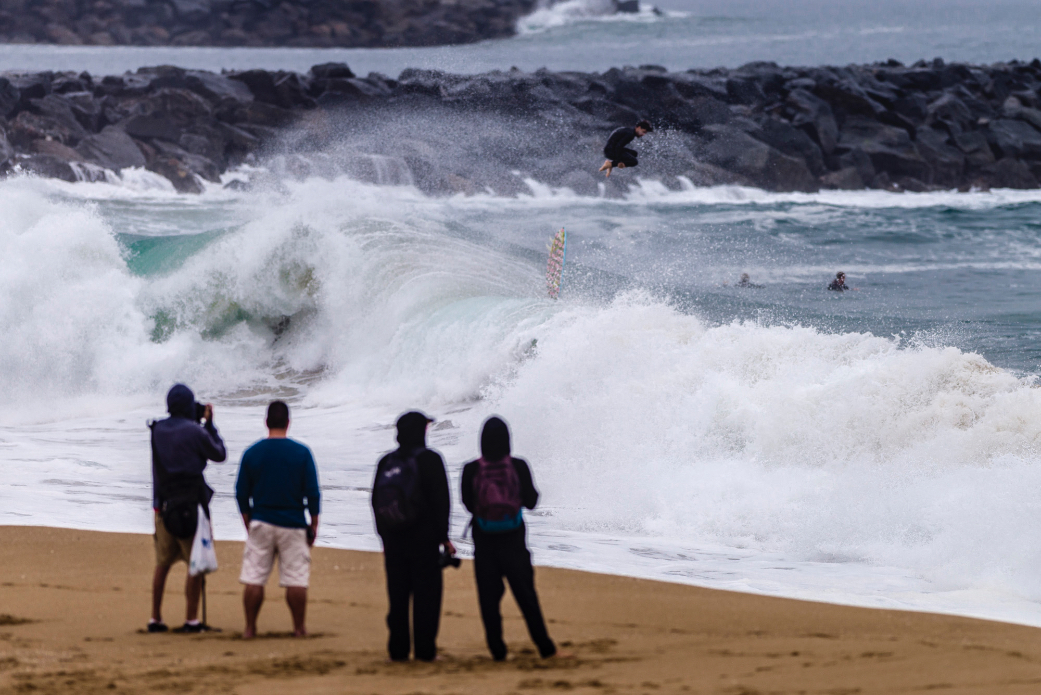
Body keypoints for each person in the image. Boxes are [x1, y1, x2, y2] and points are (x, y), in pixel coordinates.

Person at [461, 416, 560, 661]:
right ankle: (545, 647)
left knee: (489, 599)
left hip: (484, 541)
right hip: (514, 541)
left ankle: (498, 651)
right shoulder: (518, 466)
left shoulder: (471, 469)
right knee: (526, 595)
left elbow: (467, 504)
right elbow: (532, 502)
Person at [371, 411, 455, 662]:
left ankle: (397, 652)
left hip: (394, 540)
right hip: (424, 541)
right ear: (423, 432)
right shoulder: (431, 459)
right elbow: (442, 502)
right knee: (426, 597)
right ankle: (425, 651)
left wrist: (384, 537)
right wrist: (444, 537)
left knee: (397, 597)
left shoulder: (386, 462)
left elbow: (376, 501)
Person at [235, 400, 320, 639]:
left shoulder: (252, 453)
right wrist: (313, 526)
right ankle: (299, 628)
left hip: (261, 519)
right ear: (288, 423)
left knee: (254, 577)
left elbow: (241, 493)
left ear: (266, 422)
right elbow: (313, 493)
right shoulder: (301, 453)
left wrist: (247, 520)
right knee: (296, 579)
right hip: (292, 522)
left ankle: (250, 628)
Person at [148, 383, 227, 634]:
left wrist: (157, 506)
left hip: (163, 506)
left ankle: (155, 618)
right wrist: (209, 425)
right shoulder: (195, 432)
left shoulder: (157, 429)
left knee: (163, 563)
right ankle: (192, 620)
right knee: (196, 563)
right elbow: (219, 454)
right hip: (192, 506)